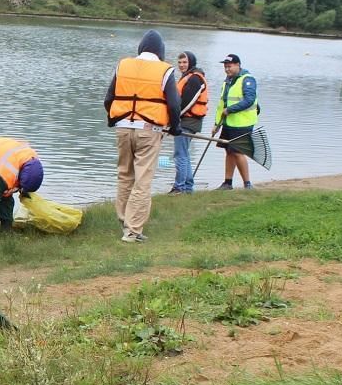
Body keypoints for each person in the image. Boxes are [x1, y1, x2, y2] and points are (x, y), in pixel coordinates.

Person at [104, 29, 181, 242]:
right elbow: (174, 104)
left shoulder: (123, 65)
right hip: (148, 132)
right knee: (142, 180)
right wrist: (175, 127)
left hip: (122, 128)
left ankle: (124, 221)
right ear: (161, 52)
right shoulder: (165, 70)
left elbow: (109, 98)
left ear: (140, 48)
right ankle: (132, 230)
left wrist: (113, 120)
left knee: (124, 175)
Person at [214, 53, 260, 190]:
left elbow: (249, 100)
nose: (227, 69)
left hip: (243, 123)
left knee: (238, 152)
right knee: (229, 151)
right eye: (225, 67)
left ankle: (247, 184)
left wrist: (231, 109)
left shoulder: (247, 79)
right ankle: (228, 182)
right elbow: (221, 104)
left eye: (229, 66)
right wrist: (216, 124)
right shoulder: (227, 81)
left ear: (238, 65)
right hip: (229, 123)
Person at [168, 51, 208, 194]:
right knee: (184, 153)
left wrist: (174, 120)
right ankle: (188, 186)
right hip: (186, 121)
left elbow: (187, 103)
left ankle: (179, 187)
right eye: (179, 63)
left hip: (188, 122)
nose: (181, 65)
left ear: (191, 62)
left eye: (184, 62)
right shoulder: (187, 77)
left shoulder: (195, 79)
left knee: (180, 154)